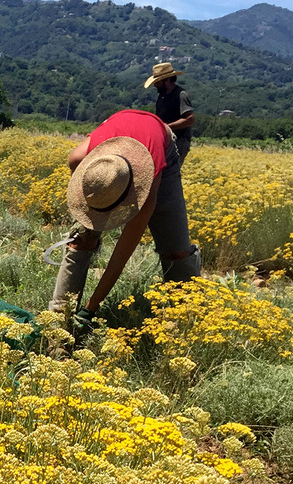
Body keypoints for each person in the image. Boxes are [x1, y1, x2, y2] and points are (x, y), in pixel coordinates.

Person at [48, 107, 200, 330]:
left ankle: (188, 316)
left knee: (175, 249)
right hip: (117, 129)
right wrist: (90, 223)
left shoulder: (147, 193)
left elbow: (121, 255)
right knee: (80, 240)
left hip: (160, 144)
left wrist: (90, 309)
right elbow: (81, 177)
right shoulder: (78, 160)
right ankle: (58, 320)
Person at [146, 62, 194, 163]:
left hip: (179, 140)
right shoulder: (162, 96)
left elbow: (189, 119)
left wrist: (167, 127)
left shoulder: (181, 95)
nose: (155, 85)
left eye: (158, 82)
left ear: (166, 80)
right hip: (165, 140)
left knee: (172, 172)